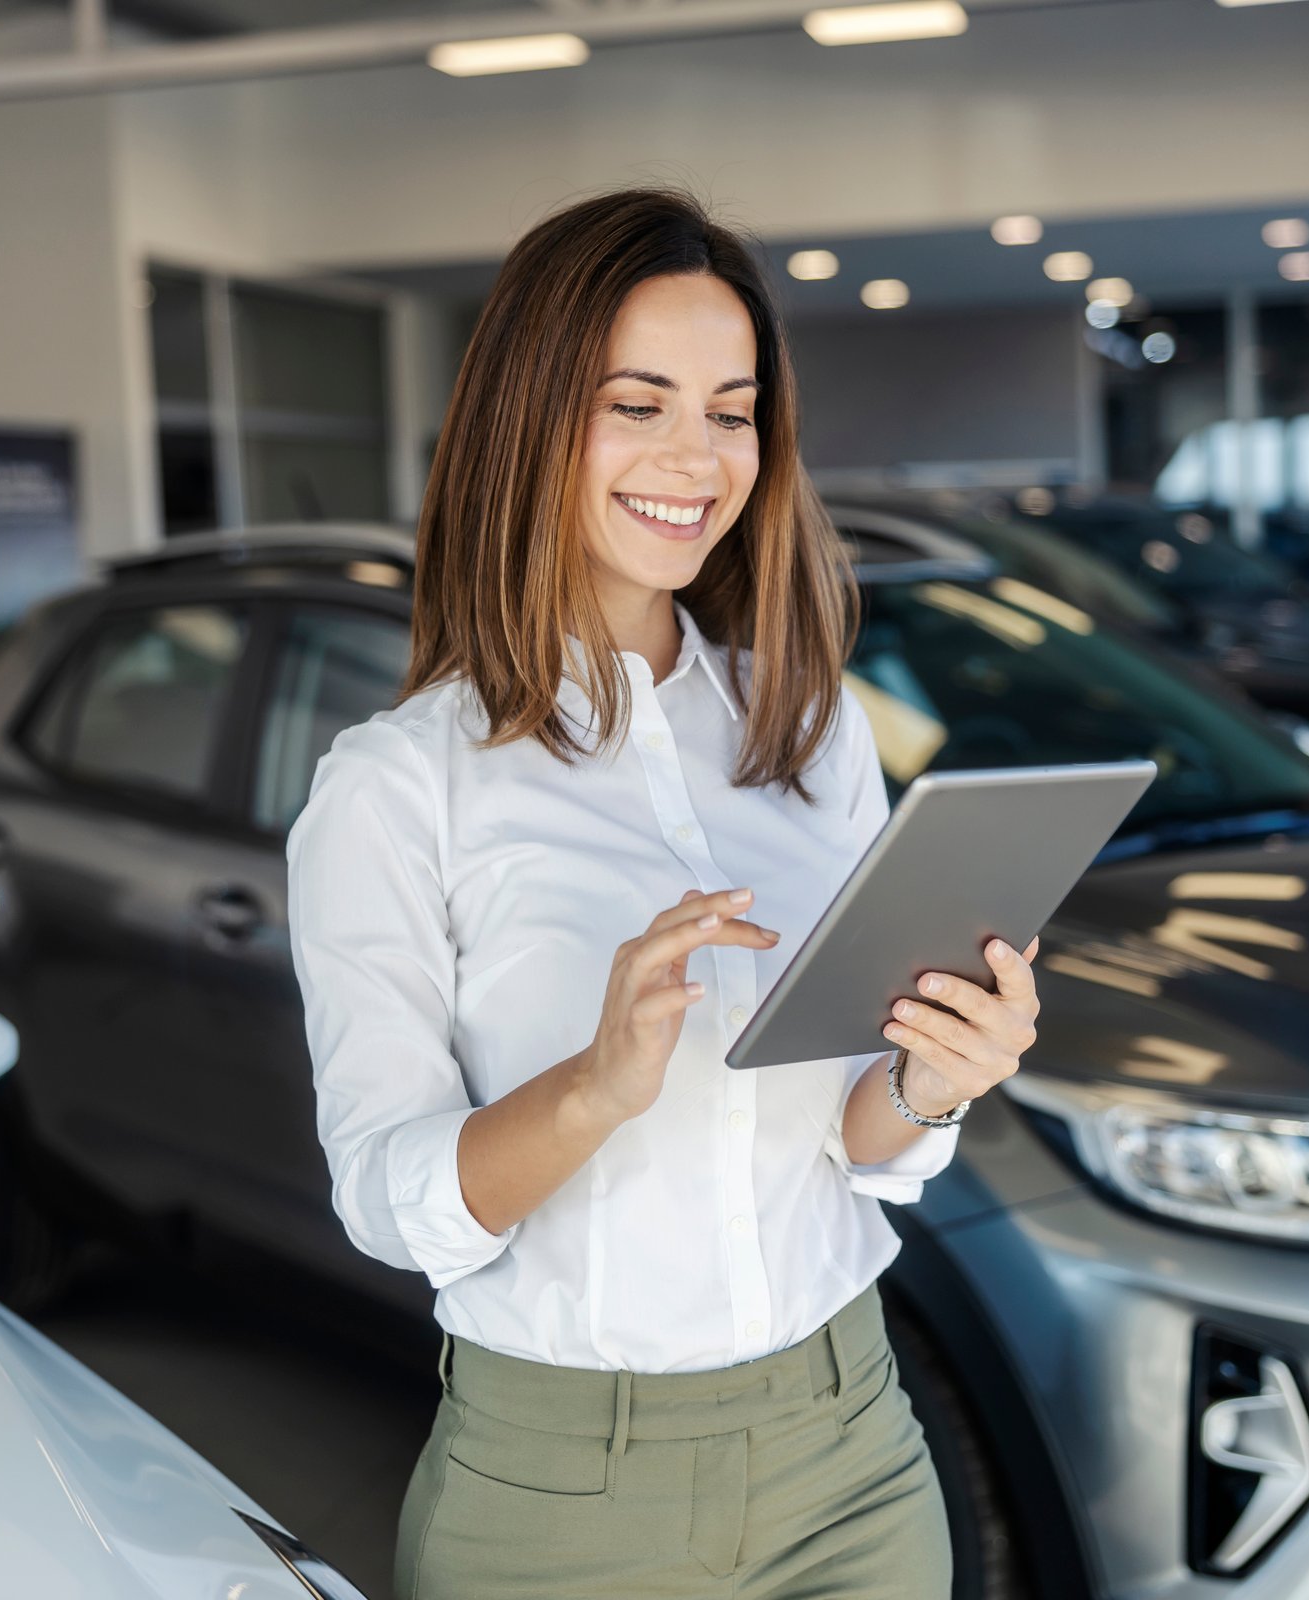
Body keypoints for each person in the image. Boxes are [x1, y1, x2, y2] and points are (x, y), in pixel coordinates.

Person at [285, 185, 1041, 1600]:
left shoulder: (813, 737)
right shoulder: (399, 786)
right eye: (639, 404)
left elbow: (854, 1146)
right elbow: (388, 1201)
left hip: (851, 1448)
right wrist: (595, 1085)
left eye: (732, 409)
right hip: (564, 1495)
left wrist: (939, 1078)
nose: (696, 457)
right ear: (532, 420)